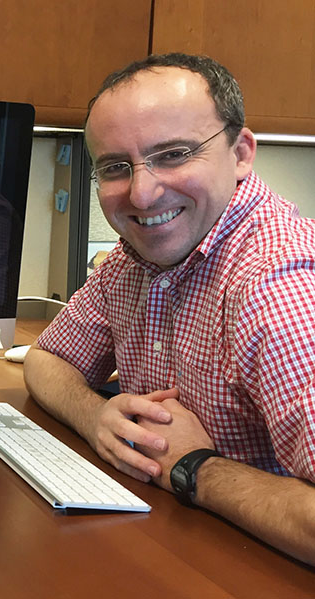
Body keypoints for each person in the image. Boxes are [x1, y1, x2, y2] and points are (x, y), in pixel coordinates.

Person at [23, 53, 315, 565]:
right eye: (116, 167)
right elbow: (45, 361)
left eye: (174, 154)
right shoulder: (135, 256)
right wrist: (97, 417)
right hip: (175, 551)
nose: (141, 192)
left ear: (241, 152)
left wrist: (194, 466)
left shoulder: (278, 288)